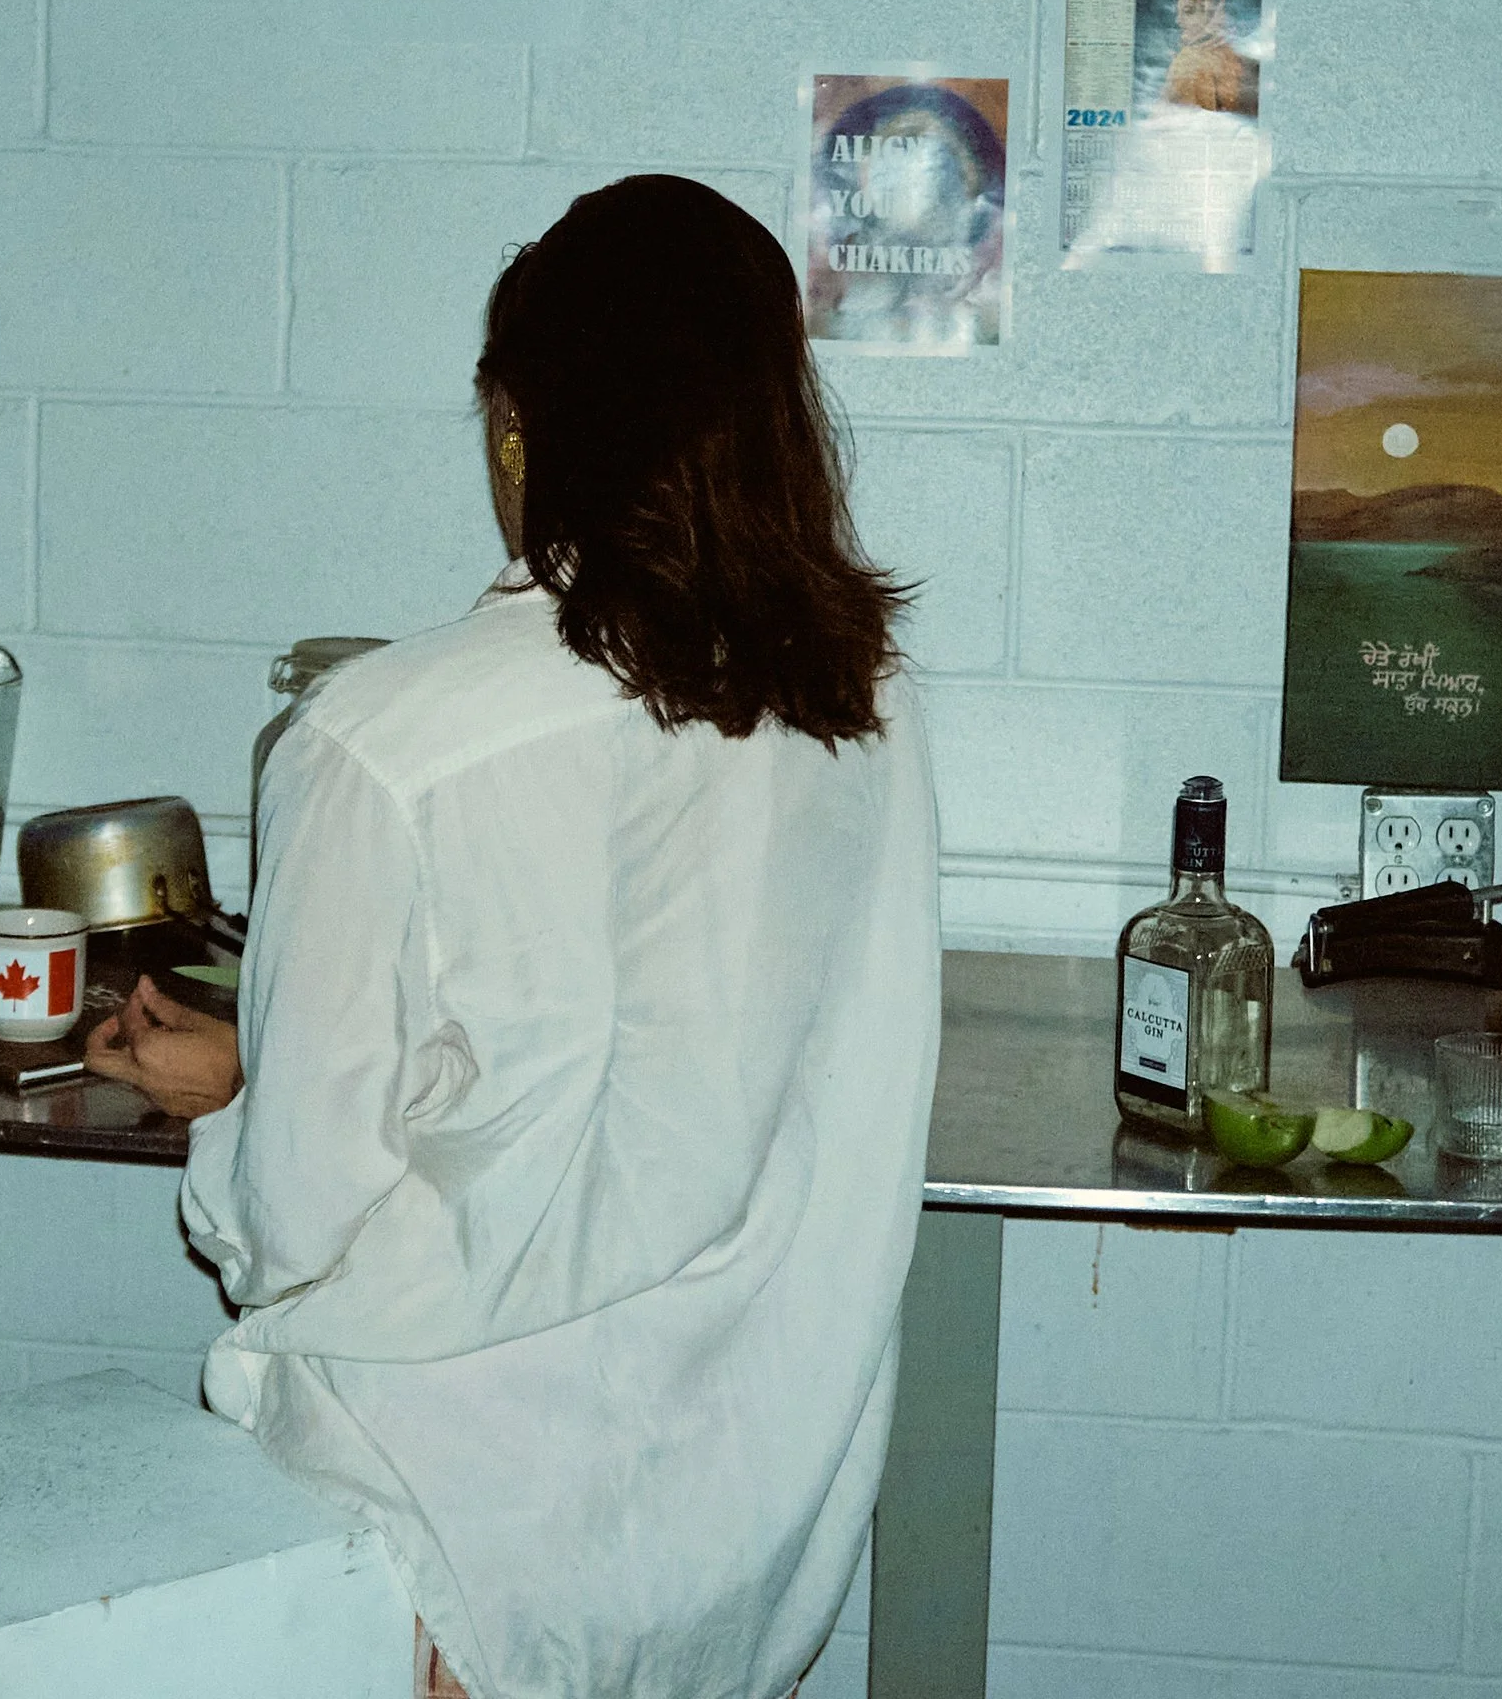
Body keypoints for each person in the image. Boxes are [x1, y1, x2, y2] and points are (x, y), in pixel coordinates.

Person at [85, 174, 943, 1699]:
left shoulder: (377, 743)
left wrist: (241, 1106)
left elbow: (303, 1225)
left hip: (448, 1537)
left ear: (514, 424)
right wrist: (270, 1067)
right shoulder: (857, 710)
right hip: (724, 1528)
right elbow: (681, 1083)